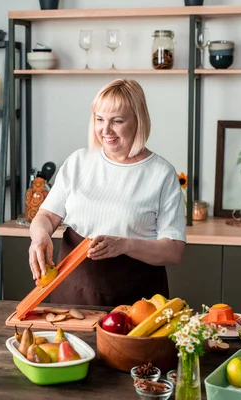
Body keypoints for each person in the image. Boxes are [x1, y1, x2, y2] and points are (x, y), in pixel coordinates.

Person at [28, 79, 186, 307]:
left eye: (117, 121)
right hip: (73, 291)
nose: (105, 130)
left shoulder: (161, 174)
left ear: (138, 121)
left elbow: (173, 251)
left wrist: (125, 245)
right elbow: (46, 217)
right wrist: (40, 236)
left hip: (137, 299)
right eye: (99, 119)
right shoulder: (78, 162)